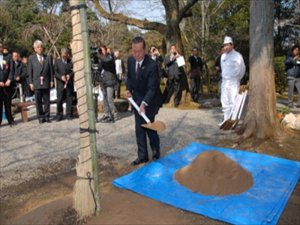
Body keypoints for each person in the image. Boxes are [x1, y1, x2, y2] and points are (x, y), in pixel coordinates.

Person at [125, 36, 162, 165]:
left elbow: (152, 88)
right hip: (137, 99)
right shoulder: (130, 60)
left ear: (144, 49)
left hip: (150, 100)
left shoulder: (152, 65)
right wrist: (128, 89)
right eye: (134, 51)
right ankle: (142, 156)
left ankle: (156, 153)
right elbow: (129, 77)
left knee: (149, 127)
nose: (136, 54)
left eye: (139, 51)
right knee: (139, 128)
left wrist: (144, 103)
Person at [220, 36, 245, 123]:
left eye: (227, 45)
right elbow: (222, 68)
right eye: (224, 45)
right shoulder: (223, 56)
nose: (225, 47)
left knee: (233, 101)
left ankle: (233, 121)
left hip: (233, 82)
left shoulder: (237, 56)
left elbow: (242, 69)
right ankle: (226, 120)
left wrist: (236, 79)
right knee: (225, 102)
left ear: (232, 45)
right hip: (224, 82)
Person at [28, 40, 54, 124]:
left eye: (41, 47)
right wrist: (31, 82)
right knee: (38, 101)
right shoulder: (32, 58)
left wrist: (52, 80)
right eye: (38, 47)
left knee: (47, 100)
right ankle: (40, 116)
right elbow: (30, 71)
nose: (40, 49)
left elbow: (51, 70)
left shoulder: (47, 57)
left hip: (46, 82)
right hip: (36, 83)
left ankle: (47, 116)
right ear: (35, 49)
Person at [97, 45, 117, 123]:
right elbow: (99, 69)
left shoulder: (110, 58)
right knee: (104, 98)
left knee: (109, 98)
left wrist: (99, 55)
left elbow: (107, 61)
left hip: (110, 81)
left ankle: (112, 115)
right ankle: (106, 114)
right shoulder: (101, 59)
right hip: (103, 81)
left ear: (106, 50)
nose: (101, 52)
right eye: (100, 51)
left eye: (102, 50)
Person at [54, 48, 74, 121]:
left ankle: (69, 114)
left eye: (66, 54)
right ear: (61, 54)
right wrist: (60, 77)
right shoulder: (57, 62)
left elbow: (73, 71)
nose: (64, 55)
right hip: (60, 84)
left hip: (69, 83)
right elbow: (55, 72)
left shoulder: (70, 62)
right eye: (63, 54)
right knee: (59, 100)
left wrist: (70, 75)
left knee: (69, 98)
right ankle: (59, 114)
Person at [0, 43, 15, 127]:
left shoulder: (8, 57)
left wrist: (9, 80)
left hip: (7, 84)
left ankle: (10, 119)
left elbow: (12, 70)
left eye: (1, 47)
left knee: (8, 103)